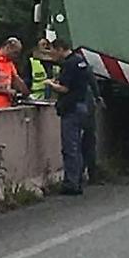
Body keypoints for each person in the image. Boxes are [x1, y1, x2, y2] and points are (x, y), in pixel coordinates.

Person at [45, 38, 91, 195]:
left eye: (52, 50)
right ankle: (77, 179)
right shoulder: (80, 61)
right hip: (82, 106)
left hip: (71, 109)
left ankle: (72, 184)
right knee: (77, 147)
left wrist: (51, 84)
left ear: (59, 49)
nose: (51, 54)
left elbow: (64, 88)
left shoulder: (69, 64)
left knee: (70, 148)